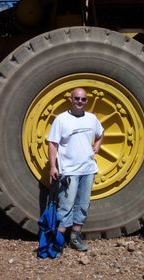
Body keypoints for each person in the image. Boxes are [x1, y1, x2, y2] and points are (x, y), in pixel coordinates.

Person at [47, 87, 104, 252]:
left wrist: (97, 146)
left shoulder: (92, 119)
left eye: (83, 99)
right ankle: (58, 239)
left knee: (83, 204)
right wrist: (52, 166)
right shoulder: (61, 119)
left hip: (88, 169)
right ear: (71, 99)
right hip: (70, 171)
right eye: (77, 98)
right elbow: (52, 143)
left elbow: (101, 134)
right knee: (66, 205)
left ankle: (75, 237)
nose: (80, 101)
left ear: (86, 101)